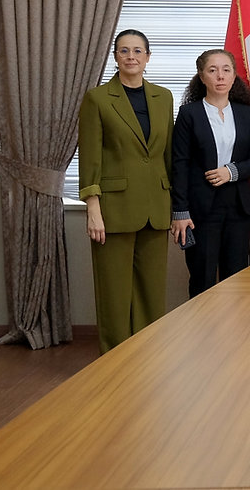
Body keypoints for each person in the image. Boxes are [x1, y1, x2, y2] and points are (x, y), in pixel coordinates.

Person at [78, 29, 173, 353]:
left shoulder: (164, 97)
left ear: (148, 57)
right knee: (114, 293)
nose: (131, 56)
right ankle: (114, 360)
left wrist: (177, 210)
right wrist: (93, 209)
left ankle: (146, 356)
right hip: (113, 210)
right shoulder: (98, 99)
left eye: (137, 50)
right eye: (123, 51)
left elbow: (167, 156)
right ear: (115, 57)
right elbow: (90, 157)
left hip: (156, 208)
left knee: (151, 292)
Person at [170, 49, 250, 297]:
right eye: (212, 70)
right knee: (202, 277)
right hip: (201, 209)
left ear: (234, 76)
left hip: (237, 207)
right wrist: (180, 210)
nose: (220, 76)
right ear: (202, 76)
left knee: (236, 277)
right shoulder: (189, 114)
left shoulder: (245, 113)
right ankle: (203, 334)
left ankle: (235, 334)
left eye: (226, 70)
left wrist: (231, 172)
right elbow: (179, 164)